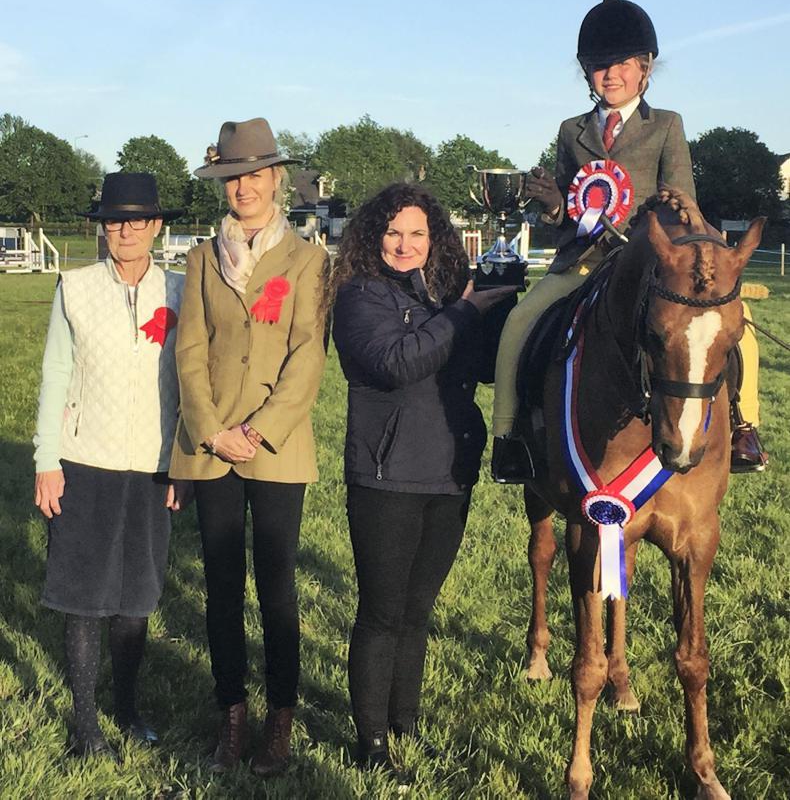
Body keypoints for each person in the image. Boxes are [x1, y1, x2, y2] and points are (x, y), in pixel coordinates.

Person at [492, 0, 766, 475]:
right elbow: (567, 210)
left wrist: (673, 210)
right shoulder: (571, 131)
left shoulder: (666, 126)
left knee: (740, 330)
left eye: (622, 64)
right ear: (586, 72)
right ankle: (509, 435)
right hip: (583, 263)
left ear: (645, 68)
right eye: (600, 66)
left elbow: (684, 202)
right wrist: (554, 203)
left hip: (648, 266)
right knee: (520, 323)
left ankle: (744, 425)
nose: (611, 74)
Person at [330, 183, 515, 786]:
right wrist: (464, 312)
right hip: (387, 476)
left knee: (418, 611)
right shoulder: (360, 295)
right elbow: (397, 362)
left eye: (417, 233)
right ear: (373, 236)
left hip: (448, 472)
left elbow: (481, 368)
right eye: (393, 232)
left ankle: (404, 725)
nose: (405, 244)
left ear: (434, 239)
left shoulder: (440, 294)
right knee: (382, 613)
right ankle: (371, 743)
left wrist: (500, 304)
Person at [169, 118, 329, 776]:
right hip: (211, 446)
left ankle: (280, 720)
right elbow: (189, 351)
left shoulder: (309, 261)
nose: (244, 188)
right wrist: (213, 431)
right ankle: (231, 714)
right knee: (222, 587)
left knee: (277, 588)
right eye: (233, 178)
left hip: (276, 446)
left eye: (255, 175)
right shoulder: (201, 259)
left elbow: (308, 358)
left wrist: (258, 430)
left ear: (276, 179)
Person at [33, 172, 187, 757]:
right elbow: (55, 373)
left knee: (135, 597)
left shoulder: (180, 292)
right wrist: (47, 460)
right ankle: (84, 724)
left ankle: (126, 708)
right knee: (84, 597)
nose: (126, 231)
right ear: (102, 228)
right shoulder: (74, 288)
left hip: (152, 464)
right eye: (114, 221)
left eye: (137, 220)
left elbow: (192, 383)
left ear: (156, 226)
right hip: (84, 460)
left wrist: (183, 463)